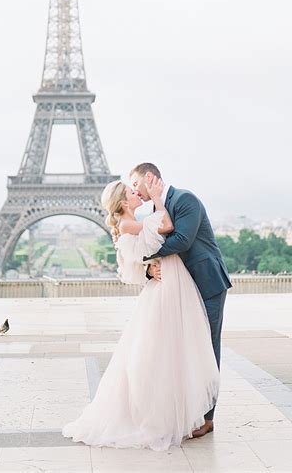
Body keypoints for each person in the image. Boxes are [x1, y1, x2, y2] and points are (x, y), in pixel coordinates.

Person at [62, 178, 220, 451]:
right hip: (165, 287)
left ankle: (176, 414)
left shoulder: (139, 218)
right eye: (131, 190)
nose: (136, 192)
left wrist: (147, 265)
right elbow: (161, 235)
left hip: (172, 284)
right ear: (123, 202)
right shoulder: (129, 223)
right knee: (160, 352)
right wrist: (158, 201)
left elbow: (150, 245)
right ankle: (159, 415)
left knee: (169, 351)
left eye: (136, 186)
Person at [130, 162, 232, 437]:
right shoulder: (156, 211)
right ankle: (190, 411)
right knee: (187, 350)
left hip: (207, 283)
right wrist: (147, 266)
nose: (134, 191)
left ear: (150, 178)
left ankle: (207, 417)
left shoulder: (185, 199)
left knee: (208, 348)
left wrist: (141, 256)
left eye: (136, 184)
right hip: (182, 288)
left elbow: (183, 241)